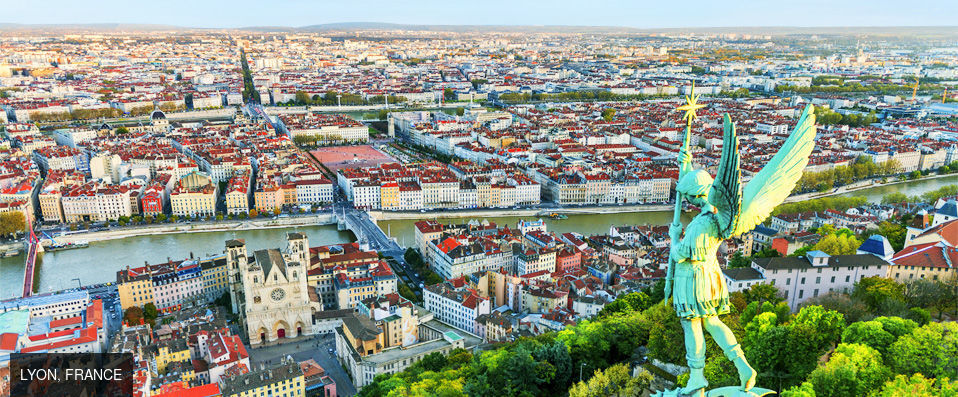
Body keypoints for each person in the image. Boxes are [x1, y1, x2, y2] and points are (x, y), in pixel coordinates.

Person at [667, 151, 755, 396]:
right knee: (712, 321)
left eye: (689, 197)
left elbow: (680, 254)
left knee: (692, 325)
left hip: (692, 278)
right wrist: (687, 165)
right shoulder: (717, 215)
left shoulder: (701, 223)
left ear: (697, 195)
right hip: (710, 274)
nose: (688, 202)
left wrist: (674, 239)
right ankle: (742, 365)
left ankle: (696, 376)